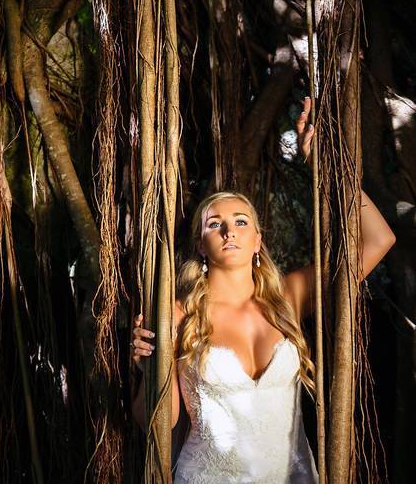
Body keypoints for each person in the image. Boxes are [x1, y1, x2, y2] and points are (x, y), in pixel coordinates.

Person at [130, 97, 397, 482]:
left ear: (257, 240)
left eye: (240, 221)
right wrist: (148, 370)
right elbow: (157, 421)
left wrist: (322, 164)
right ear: (201, 245)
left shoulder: (287, 298)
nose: (228, 230)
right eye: (214, 224)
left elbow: (378, 240)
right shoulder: (178, 313)